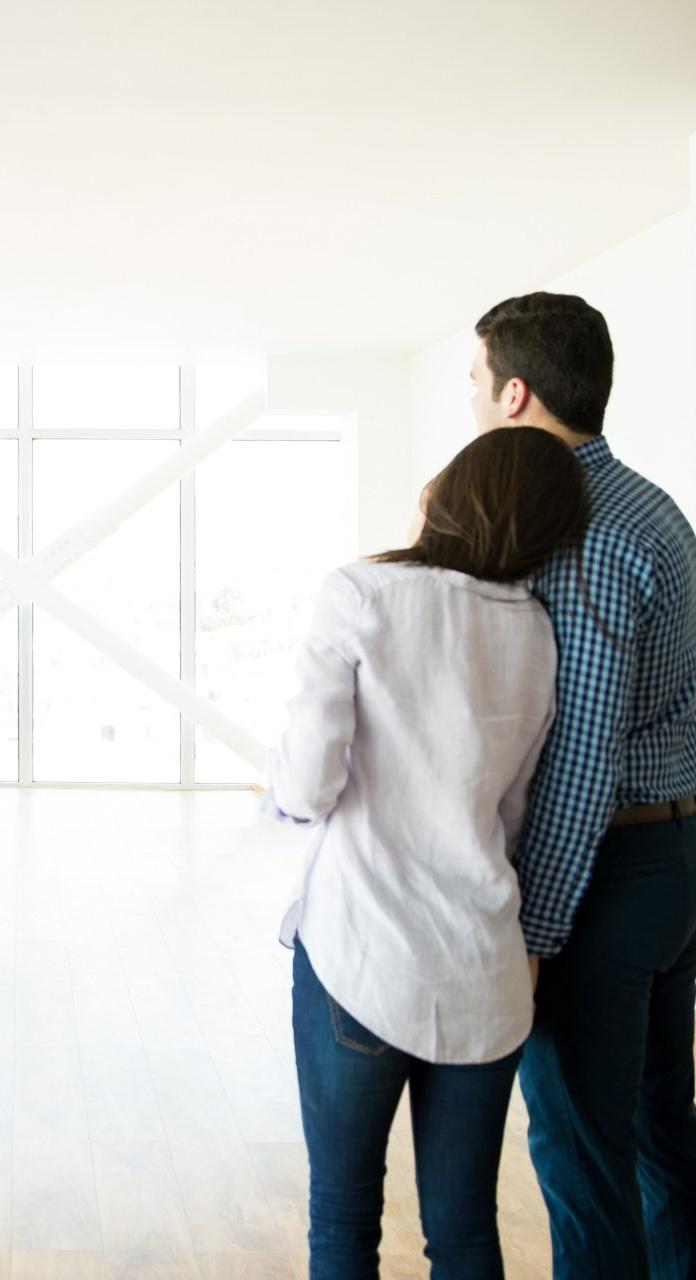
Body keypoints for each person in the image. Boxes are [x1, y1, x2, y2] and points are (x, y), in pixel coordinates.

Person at [267, 426, 591, 1278]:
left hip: (361, 952)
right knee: (465, 1230)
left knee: (342, 1217)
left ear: (461, 492)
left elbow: (305, 789)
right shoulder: (535, 631)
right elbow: (515, 811)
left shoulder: (362, 593)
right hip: (480, 970)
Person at [471, 292, 696, 1280]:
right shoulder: (653, 504)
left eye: (475, 385)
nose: (473, 406)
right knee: (659, 1129)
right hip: (671, 858)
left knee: (580, 1148)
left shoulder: (587, 525)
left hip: (610, 869)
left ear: (515, 392)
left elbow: (580, 756)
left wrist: (534, 933)